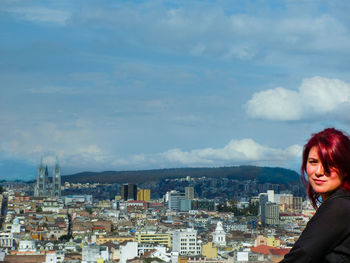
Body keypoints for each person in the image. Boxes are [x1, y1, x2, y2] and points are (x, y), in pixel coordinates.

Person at [280, 128, 350, 262]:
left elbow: (299, 258)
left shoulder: (339, 208)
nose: (319, 171)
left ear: (345, 168)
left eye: (330, 164)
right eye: (313, 162)